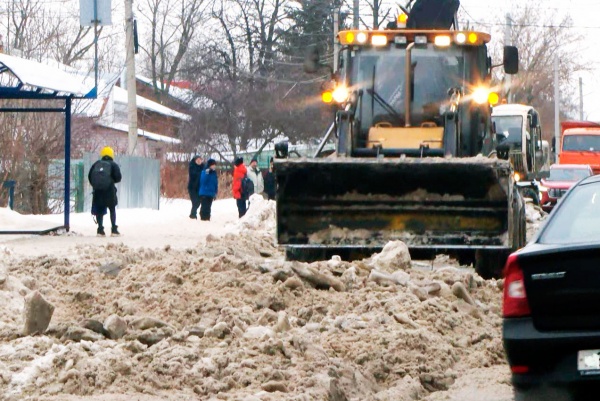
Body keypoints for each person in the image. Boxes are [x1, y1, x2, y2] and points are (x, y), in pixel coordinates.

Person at [89, 146, 122, 237]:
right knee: (112, 209)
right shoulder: (113, 164)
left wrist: (97, 185)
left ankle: (100, 230)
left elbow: (90, 176)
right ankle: (114, 229)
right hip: (109, 191)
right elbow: (118, 177)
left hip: (98, 191)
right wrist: (110, 181)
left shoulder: (96, 164)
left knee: (99, 210)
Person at [188, 155, 204, 219]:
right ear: (195, 161)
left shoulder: (203, 167)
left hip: (200, 187)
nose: (199, 161)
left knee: (199, 201)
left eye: (200, 160)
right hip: (192, 187)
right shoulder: (192, 166)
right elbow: (193, 174)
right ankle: (193, 214)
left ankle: (193, 214)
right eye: (198, 160)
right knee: (195, 201)